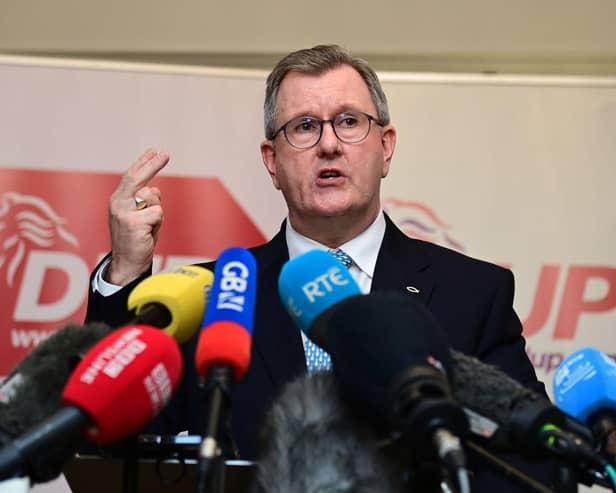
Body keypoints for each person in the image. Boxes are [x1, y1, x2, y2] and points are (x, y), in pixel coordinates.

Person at [85, 45, 555, 491]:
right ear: (272, 161)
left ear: (385, 147)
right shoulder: (211, 297)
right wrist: (126, 271)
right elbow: (113, 448)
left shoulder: (472, 294)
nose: (329, 144)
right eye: (305, 126)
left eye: (349, 122)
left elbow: (529, 469)